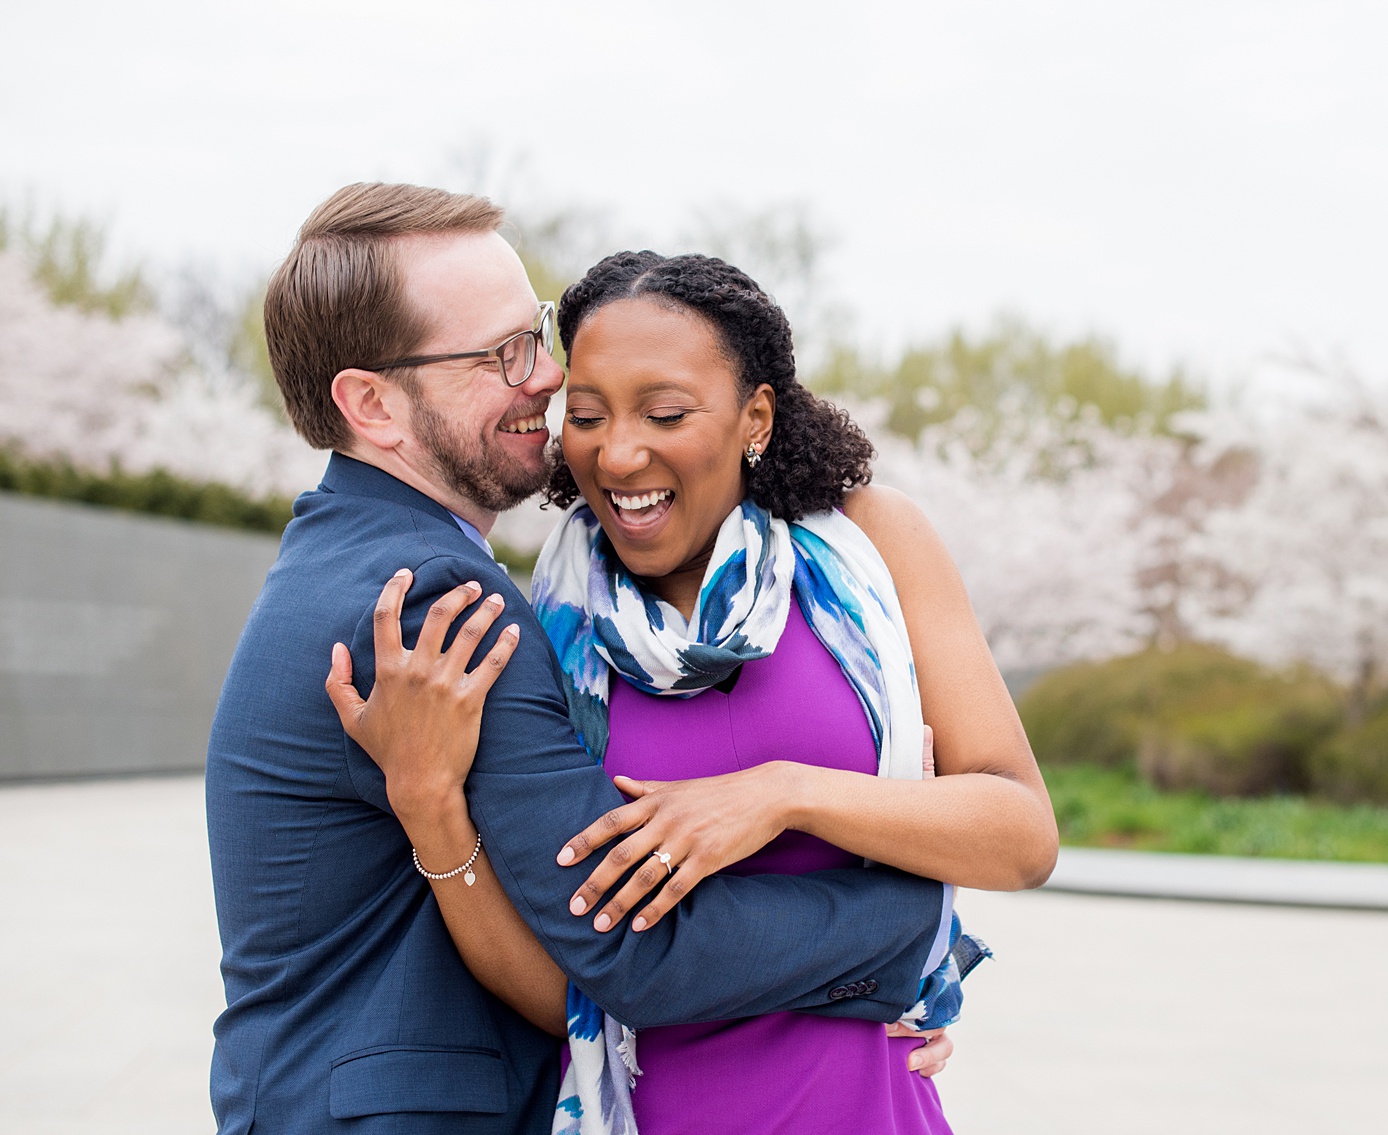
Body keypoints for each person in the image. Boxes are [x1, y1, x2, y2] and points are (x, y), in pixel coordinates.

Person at [205, 183, 965, 1135]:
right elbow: (633, 951)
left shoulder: (353, 554)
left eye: (536, 336)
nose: (544, 379)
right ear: (372, 404)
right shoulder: (430, 599)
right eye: (501, 354)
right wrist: (910, 922)